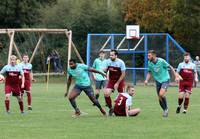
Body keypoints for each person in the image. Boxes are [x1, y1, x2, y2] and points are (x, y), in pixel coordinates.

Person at [144, 50, 181, 117]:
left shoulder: (161, 61)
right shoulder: (149, 63)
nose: (148, 57)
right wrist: (146, 80)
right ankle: (165, 110)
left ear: (154, 55)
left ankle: (166, 108)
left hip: (165, 79)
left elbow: (170, 67)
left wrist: (176, 76)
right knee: (159, 98)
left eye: (149, 55)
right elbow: (149, 72)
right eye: (148, 55)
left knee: (161, 94)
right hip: (158, 81)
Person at [103, 49, 126, 116]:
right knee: (106, 94)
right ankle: (111, 108)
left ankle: (125, 109)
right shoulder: (108, 62)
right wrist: (104, 70)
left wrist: (118, 83)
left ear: (116, 55)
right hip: (111, 80)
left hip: (120, 80)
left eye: (112, 55)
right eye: (110, 55)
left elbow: (123, 74)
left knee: (122, 96)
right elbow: (106, 70)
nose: (110, 56)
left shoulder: (121, 62)